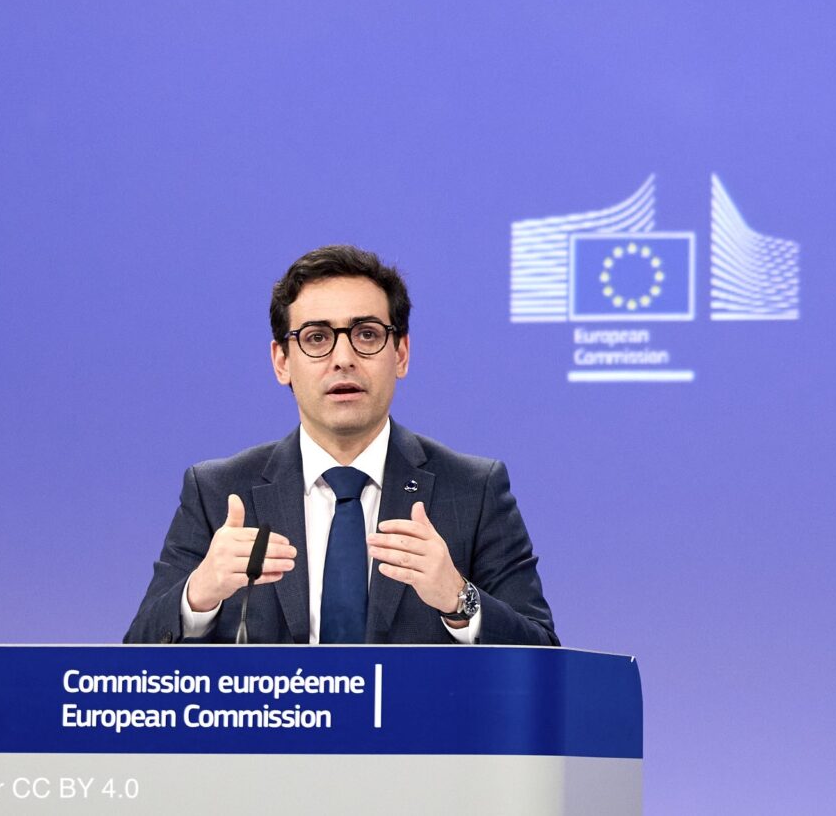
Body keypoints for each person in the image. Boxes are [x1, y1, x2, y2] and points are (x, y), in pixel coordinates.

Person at [125, 245, 557, 646]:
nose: (344, 358)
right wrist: (198, 594)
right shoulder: (217, 492)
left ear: (401, 354)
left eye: (366, 334)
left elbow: (544, 657)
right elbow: (133, 665)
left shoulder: (473, 490)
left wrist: (459, 598)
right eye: (316, 337)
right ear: (281, 361)